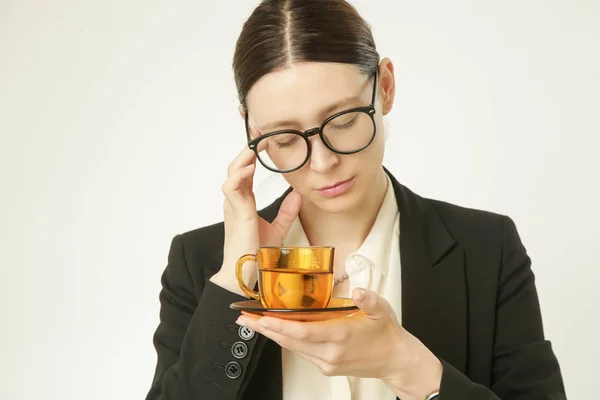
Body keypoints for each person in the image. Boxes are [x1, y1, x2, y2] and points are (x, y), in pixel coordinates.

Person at [145, 1, 566, 399]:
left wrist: (405, 364)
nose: (324, 162)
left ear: (385, 87)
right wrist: (239, 279)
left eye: (343, 121)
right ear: (251, 128)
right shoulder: (199, 263)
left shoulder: (487, 249)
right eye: (285, 138)